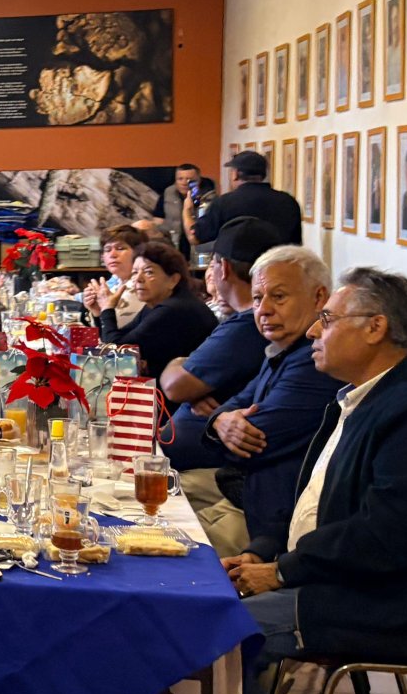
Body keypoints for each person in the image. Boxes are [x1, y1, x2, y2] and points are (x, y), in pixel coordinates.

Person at [220, 268, 407, 694]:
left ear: (376, 328)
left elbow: (386, 534)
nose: (314, 332)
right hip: (337, 580)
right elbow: (311, 506)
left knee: (217, 637)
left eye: (327, 319)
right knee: (205, 605)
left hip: (389, 603)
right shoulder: (362, 399)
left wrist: (283, 572)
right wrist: (262, 553)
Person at [167, 246, 339, 557]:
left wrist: (218, 422)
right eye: (258, 298)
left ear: (319, 298)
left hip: (263, 517)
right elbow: (231, 407)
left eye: (279, 297)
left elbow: (254, 441)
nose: (264, 310)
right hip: (237, 491)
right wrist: (220, 419)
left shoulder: (314, 363)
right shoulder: (281, 350)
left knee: (160, 552)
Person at [158, 218, 274, 419]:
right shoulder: (248, 319)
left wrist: (177, 363)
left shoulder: (244, 327)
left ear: (224, 268)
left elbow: (174, 387)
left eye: (213, 264)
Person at [97, 240, 216, 377]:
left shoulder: (173, 309)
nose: (138, 279)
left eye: (148, 272)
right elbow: (119, 338)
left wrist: (107, 308)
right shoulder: (156, 304)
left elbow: (119, 353)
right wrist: (99, 313)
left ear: (173, 280)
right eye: (134, 273)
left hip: (190, 388)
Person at [188, 151, 301, 248]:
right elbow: (295, 245)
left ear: (236, 174)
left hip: (237, 266)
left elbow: (195, 238)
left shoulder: (224, 203)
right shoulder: (288, 202)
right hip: (277, 264)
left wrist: (187, 211)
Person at [82, 225, 149, 330]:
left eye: (120, 248)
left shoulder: (141, 286)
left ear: (139, 252)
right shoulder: (115, 285)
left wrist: (105, 309)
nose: (112, 254)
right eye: (107, 250)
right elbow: (105, 334)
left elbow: (119, 331)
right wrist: (97, 312)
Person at [152, 163, 217, 254]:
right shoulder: (167, 194)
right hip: (173, 246)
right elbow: (157, 221)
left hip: (201, 247)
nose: (184, 183)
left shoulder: (210, 198)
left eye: (190, 180)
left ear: (199, 180)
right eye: (180, 179)